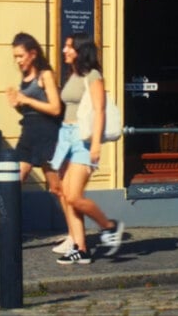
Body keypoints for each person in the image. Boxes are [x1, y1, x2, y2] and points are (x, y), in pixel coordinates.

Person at [0, 32, 63, 253]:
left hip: (46, 136)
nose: (18, 61)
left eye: (20, 56)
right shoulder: (25, 77)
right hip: (28, 136)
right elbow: (32, 108)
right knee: (12, 184)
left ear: (33, 53)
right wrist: (17, 104)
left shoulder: (46, 75)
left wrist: (25, 99)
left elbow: (55, 108)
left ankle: (78, 237)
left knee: (57, 188)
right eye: (15, 57)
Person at [50, 33, 124, 265]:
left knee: (73, 195)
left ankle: (109, 226)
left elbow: (99, 110)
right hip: (66, 137)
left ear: (80, 50)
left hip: (83, 140)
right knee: (61, 192)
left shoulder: (93, 76)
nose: (64, 50)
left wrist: (94, 146)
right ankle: (80, 248)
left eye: (69, 46)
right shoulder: (73, 74)